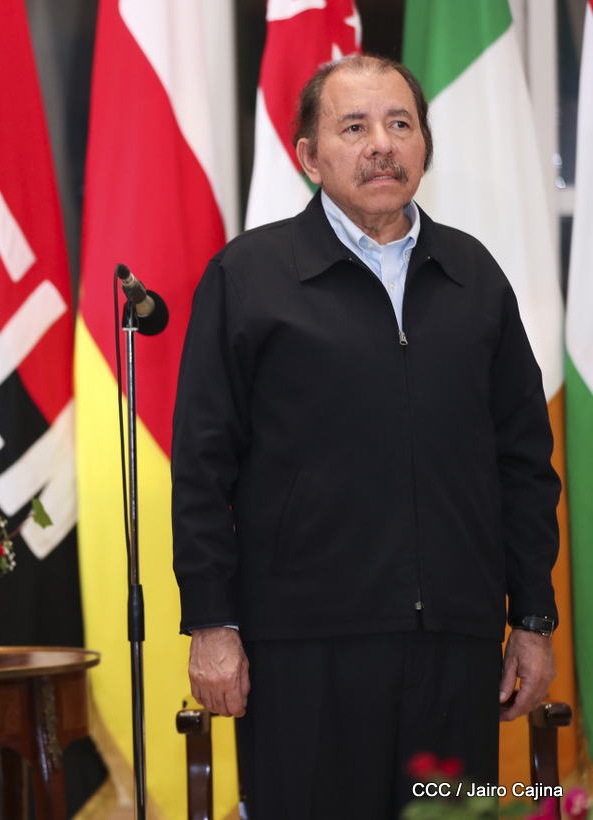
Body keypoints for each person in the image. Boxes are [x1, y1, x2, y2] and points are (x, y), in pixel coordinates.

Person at [171, 55, 560, 818]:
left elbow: (523, 464)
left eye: (399, 123)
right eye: (354, 127)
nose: (382, 144)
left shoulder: (474, 276)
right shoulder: (249, 277)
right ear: (309, 156)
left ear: (424, 147)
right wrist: (213, 624)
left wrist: (534, 619)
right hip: (302, 651)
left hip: (456, 643)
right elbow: (202, 469)